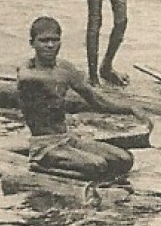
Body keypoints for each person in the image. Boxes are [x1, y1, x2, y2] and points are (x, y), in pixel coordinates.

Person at [15, 16, 138, 182]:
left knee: (124, 159)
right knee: (97, 165)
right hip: (43, 146)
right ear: (32, 43)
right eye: (44, 41)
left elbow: (95, 99)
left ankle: (78, 174)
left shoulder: (65, 68)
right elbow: (25, 77)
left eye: (55, 40)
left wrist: (129, 108)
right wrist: (62, 79)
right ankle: (39, 165)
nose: (50, 45)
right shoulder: (28, 72)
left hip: (67, 138)